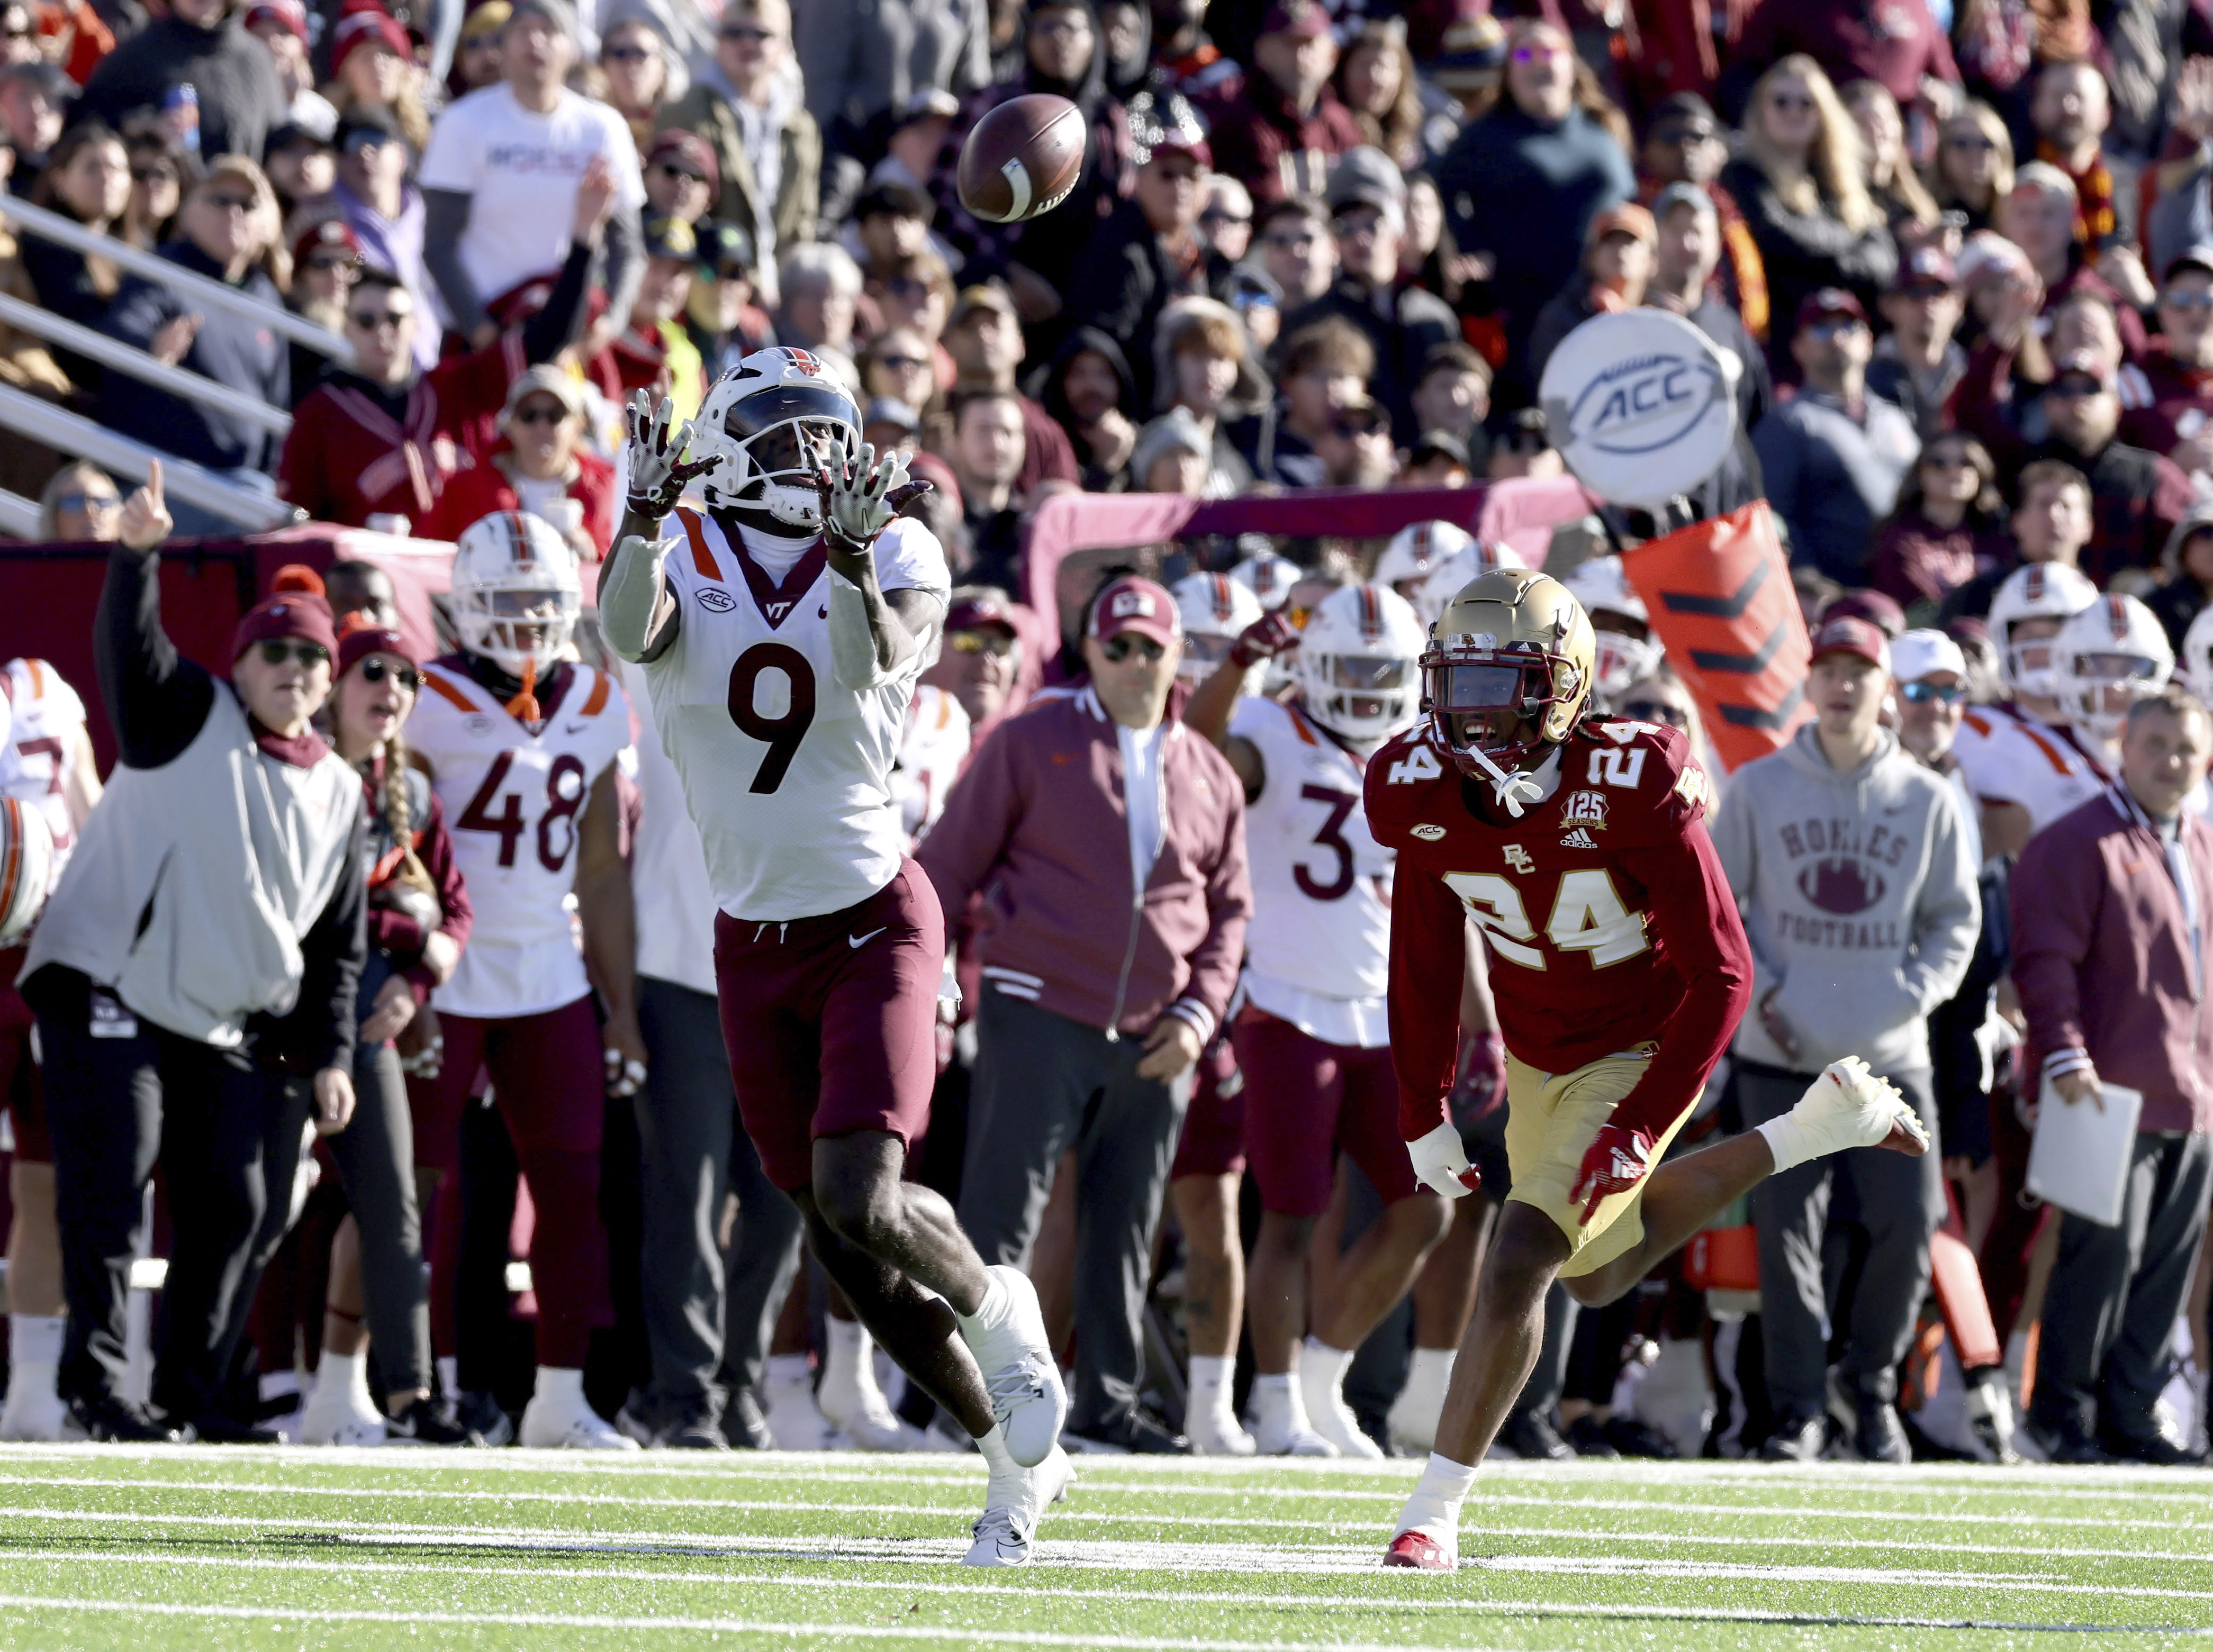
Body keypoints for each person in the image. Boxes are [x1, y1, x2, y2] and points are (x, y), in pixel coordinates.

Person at [598, 361, 1071, 1563]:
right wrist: (643, 520)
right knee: (843, 1249)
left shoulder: (895, 548)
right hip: (748, 942)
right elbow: (620, 630)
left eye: (827, 431)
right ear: (724, 439)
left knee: (864, 1194)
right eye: (781, 429)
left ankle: (1004, 1316)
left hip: (870, 919)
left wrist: (857, 561)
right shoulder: (682, 552)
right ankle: (1012, 1453)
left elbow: (881, 658)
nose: (810, 453)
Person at [1370, 569, 1930, 1569]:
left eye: (1505, 682)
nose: (1474, 711)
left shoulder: (1633, 777)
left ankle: (1432, 1512)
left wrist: (1637, 1123)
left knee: (1520, 1255)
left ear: (1568, 685)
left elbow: (1724, 972)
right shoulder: (1414, 786)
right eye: (1460, 683)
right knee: (1597, 1275)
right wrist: (1422, 1104)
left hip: (1642, 1041)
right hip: (1541, 1047)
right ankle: (1812, 1128)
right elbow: (1420, 954)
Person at [22, 464, 364, 1442]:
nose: (294, 669)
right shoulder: (187, 713)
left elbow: (335, 948)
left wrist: (331, 1053)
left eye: (311, 656)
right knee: (113, 1175)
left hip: (216, 1014)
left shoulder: (341, 791)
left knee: (237, 1200)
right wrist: (136, 556)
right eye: (276, 654)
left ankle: (189, 1394)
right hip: (109, 979)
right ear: (241, 663)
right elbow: (130, 651)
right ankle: (95, 1386)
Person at [920, 575, 1249, 1457]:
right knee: (999, 1219)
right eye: (1119, 646)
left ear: (1179, 655)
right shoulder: (1031, 742)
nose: (1137, 663)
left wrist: (1198, 1014)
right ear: (1091, 652)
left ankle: (1107, 1399)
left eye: (1153, 647)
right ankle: (971, 1398)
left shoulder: (1209, 770)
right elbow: (946, 866)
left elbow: (1229, 913)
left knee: (1128, 1226)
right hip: (1038, 1006)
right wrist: (929, 977)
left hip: (1156, 1024)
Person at [1184, 583, 1451, 1458]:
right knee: (1291, 1215)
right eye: (1351, 668)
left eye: (1383, 670)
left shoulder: (1418, 751)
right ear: (1311, 666)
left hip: (1381, 1015)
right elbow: (1199, 750)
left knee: (1429, 1202)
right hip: (1285, 1005)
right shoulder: (1271, 729)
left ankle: (1321, 1375)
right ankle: (1273, 1403)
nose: (1368, 687)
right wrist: (1236, 661)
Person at [1712, 615, 1981, 1462]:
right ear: (1808, 682)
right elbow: (1723, 912)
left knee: (1912, 1222)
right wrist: (1770, 996)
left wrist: (1909, 996)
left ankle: (1868, 1389)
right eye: (1825, 668)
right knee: (1786, 1232)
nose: (1840, 684)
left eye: (1856, 670)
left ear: (1884, 686)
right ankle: (1797, 1410)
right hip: (1781, 1051)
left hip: (1893, 1056)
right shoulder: (1757, 788)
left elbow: (1953, 921)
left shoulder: (1930, 799)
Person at [401, 510, 640, 1450]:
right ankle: (418, 1386)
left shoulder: (592, 702)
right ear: (462, 604)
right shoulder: (422, 698)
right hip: (450, 972)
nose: (524, 618)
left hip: (547, 970)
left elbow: (602, 870)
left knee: (572, 1188)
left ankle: (558, 1398)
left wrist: (619, 1008)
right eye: (503, 601)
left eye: (541, 601)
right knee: (418, 1191)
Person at [611, 645, 805, 1451]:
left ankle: (737, 1375)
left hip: (787, 980)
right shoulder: (667, 681)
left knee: (783, 1200)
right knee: (683, 1196)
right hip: (681, 976)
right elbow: (626, 601)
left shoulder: (827, 682)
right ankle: (684, 1389)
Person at [2014, 687, 2213, 1464]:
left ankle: (2132, 1416)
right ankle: (2060, 1413)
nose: (2171, 761)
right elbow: (2045, 965)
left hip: (2193, 1098)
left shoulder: (2200, 841)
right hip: (2105, 1091)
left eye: (2186, 749)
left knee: (2165, 1270)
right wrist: (2063, 1051)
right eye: (2156, 744)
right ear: (2122, 747)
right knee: (2097, 1261)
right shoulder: (2077, 841)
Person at [292, 619, 475, 1448]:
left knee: (395, 1207)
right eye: (373, 671)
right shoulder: (294, 770)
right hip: (272, 1020)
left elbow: (458, 908)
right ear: (334, 684)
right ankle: (201, 1385)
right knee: (249, 1206)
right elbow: (314, 909)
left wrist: (416, 979)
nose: (391, 691)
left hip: (364, 1026)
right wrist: (407, 938)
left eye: (406, 677)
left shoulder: (414, 792)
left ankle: (407, 1393)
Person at [418, 0, 645, 355]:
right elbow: (438, 245)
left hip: (569, 336)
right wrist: (481, 332)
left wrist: (609, 324)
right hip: (481, 335)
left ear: (571, 49)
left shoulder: (603, 128)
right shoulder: (464, 122)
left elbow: (627, 248)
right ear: (503, 46)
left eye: (549, 31)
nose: (535, 41)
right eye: (523, 30)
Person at [0, 653, 101, 1441]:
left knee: (46, 1179)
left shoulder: (42, 685)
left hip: (48, 954)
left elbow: (90, 810)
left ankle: (32, 1391)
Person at [1433, 18, 1634, 394]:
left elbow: (1629, 206)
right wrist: (1471, 249)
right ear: (1507, 72)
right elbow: (1439, 195)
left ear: (1571, 65)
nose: (1536, 62)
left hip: (1603, 308)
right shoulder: (1485, 137)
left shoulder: (1602, 129)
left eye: (1549, 52)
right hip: (1526, 314)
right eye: (1523, 54)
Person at [97, 156, 290, 492]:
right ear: (188, 211)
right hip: (166, 481)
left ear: (267, 222)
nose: (234, 213)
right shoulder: (160, 272)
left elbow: (278, 403)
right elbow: (119, 339)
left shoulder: (266, 296)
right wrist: (153, 349)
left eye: (248, 204)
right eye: (220, 200)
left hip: (246, 483)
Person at [1720, 57, 1898, 370]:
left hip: (1853, 346)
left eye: (1807, 103)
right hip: (1782, 345)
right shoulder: (1742, 174)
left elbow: (1883, 260)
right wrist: (1849, 245)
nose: (1794, 111)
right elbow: (1780, 239)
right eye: (1781, 101)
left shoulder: (1842, 182)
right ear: (1761, 110)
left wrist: (1831, 258)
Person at [1751, 289, 1920, 584]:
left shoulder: (1895, 416)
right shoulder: (1787, 423)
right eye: (1820, 329)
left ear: (1869, 342)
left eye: (1848, 326)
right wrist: (1809, 581)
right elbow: (1774, 518)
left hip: (1906, 588)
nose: (1836, 338)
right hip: (1835, 595)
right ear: (1797, 348)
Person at [1065, 95, 1211, 410]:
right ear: (1139, 178)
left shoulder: (1202, 254)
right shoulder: (1120, 251)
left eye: (1192, 176)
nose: (1180, 186)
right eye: (1168, 174)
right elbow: (1102, 348)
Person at [1286, 179, 1458, 441]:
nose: (1360, 238)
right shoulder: (1316, 319)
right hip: (1354, 458)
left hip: (1429, 462)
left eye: (1372, 225)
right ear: (1335, 244)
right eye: (1345, 229)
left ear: (1398, 237)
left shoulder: (1434, 316)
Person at [663, 0, 821, 277]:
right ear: (717, 43)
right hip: (707, 276)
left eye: (762, 34)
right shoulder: (685, 113)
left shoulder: (802, 127)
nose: (747, 43)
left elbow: (803, 222)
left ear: (784, 47)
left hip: (777, 283)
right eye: (734, 33)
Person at [419, 367, 618, 558]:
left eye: (555, 416)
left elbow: (630, 570)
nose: (541, 426)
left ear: (578, 425)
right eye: (528, 415)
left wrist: (594, 554)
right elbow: (431, 555)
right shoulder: (466, 488)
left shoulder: (611, 489)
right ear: (510, 425)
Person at [74, 0, 285, 168]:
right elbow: (84, 129)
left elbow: (277, 148)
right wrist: (141, 128)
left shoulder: (257, 60)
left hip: (239, 212)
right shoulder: (135, 56)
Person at [1205, 0, 1364, 208]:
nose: (1299, 57)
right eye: (1289, 44)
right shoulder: (1232, 110)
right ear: (1261, 50)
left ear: (1332, 56)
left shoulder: (1341, 124)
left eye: (1309, 44)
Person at [1872, 433, 2010, 616]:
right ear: (1920, 472)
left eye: (1966, 463)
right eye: (1939, 463)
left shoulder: (1997, 536)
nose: (1953, 470)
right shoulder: (1898, 538)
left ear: (1981, 473)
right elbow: (1919, 609)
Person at [1868, 247, 1967, 442]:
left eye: (1939, 292)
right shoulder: (1866, 376)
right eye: (1914, 293)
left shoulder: (1973, 371)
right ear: (1889, 306)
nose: (1927, 303)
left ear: (1959, 306)